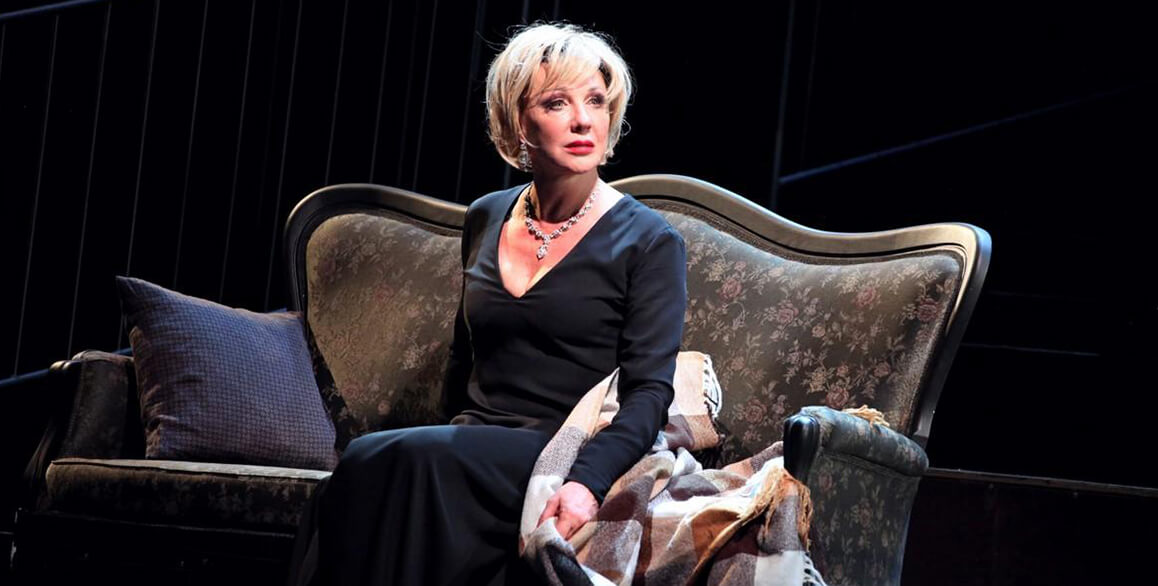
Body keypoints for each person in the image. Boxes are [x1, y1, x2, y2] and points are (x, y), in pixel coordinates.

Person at [292, 22, 687, 585]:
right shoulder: (487, 215)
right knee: (363, 478)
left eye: (596, 101)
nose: (583, 120)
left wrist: (586, 482)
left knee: (386, 460)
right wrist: (446, 435)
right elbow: (464, 360)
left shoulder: (649, 241)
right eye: (557, 103)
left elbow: (649, 393)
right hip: (476, 441)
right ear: (518, 122)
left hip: (557, 449)